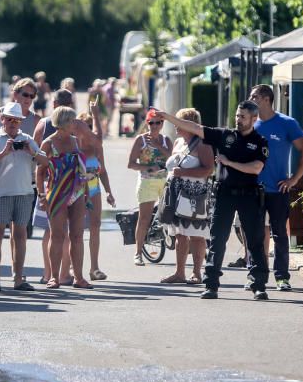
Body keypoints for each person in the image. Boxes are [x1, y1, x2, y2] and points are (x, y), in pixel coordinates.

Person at [157, 101, 270, 300]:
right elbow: (196, 128)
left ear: (254, 119)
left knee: (254, 241)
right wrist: (167, 117)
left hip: (248, 195)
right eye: (237, 115)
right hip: (224, 195)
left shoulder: (260, 141)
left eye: (243, 117)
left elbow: (256, 168)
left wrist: (229, 163)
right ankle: (211, 285)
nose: (238, 119)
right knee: (217, 241)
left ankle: (258, 284)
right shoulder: (225, 135)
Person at [0, 102, 49, 291]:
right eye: (9, 119)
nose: (13, 123)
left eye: (17, 120)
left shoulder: (26, 139)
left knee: (20, 235)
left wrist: (31, 151)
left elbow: (46, 161)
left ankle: (18, 278)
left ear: (21, 122)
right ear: (2, 119)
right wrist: (4, 152)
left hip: (24, 192)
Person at [249, 84, 303, 291]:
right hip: (253, 190)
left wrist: (294, 179)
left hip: (278, 189)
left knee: (280, 236)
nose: (251, 99)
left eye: (254, 96)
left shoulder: (286, 123)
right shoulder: (249, 123)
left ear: (266, 98)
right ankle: (255, 276)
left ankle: (282, 277)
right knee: (255, 235)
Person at [159, 108, 215, 285]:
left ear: (189, 124)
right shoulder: (178, 143)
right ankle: (179, 272)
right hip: (175, 194)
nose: (175, 126)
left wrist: (184, 172)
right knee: (179, 234)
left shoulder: (202, 144)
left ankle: (197, 273)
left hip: (195, 196)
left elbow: (209, 169)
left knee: (196, 235)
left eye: (179, 122)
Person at [40, 106, 93, 289]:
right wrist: (41, 195)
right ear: (63, 122)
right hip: (56, 192)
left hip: (77, 192)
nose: (75, 124)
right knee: (57, 236)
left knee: (77, 236)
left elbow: (81, 167)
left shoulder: (75, 141)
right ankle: (54, 277)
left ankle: (78, 277)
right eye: (72, 121)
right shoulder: (48, 143)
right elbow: (39, 172)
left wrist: (86, 192)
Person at [127, 109, 172, 266]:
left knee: (172, 216)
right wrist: (147, 168)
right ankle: (138, 253)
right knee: (144, 218)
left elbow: (172, 160)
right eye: (151, 123)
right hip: (147, 182)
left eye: (157, 123)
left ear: (162, 123)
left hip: (165, 183)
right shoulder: (140, 140)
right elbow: (131, 164)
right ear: (147, 123)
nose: (154, 126)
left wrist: (158, 146)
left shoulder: (166, 140)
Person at [77, 111, 116, 280]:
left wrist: (109, 192)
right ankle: (73, 266)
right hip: (77, 190)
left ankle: (94, 268)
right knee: (76, 229)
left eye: (91, 127)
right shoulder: (74, 145)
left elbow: (103, 171)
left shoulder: (96, 146)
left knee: (95, 226)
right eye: (86, 127)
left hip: (94, 189)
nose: (90, 132)